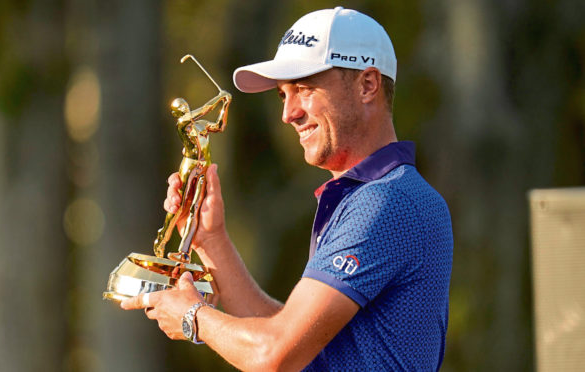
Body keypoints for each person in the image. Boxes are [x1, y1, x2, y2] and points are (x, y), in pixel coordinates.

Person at [122, 6, 453, 371]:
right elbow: (298, 348)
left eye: (305, 89)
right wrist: (210, 240)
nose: (288, 113)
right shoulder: (372, 197)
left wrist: (193, 317)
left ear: (368, 85)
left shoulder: (386, 201)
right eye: (283, 95)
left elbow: (273, 355)